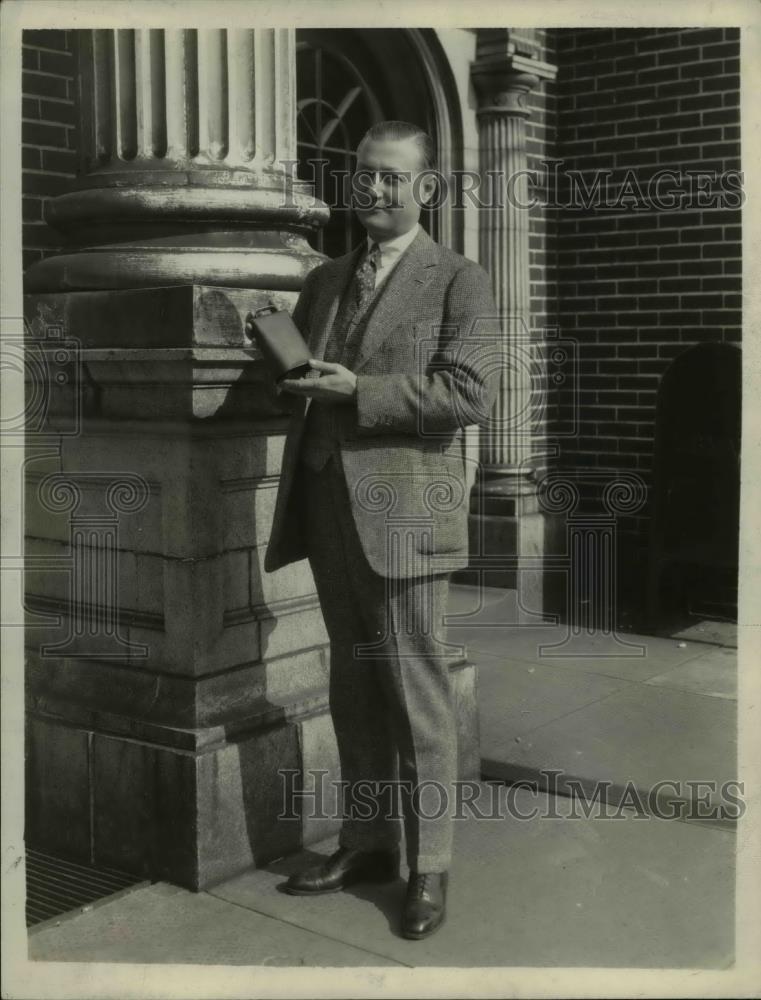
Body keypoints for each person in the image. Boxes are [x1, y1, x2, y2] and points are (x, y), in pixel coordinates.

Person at [265, 120, 501, 940]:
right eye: (363, 176)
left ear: (425, 190)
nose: (371, 190)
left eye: (391, 179)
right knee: (353, 685)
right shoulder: (326, 277)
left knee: (416, 694)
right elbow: (304, 382)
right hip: (327, 503)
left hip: (406, 515)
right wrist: (280, 361)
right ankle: (367, 845)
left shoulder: (458, 280)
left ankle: (428, 866)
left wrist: (354, 391)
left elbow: (469, 394)